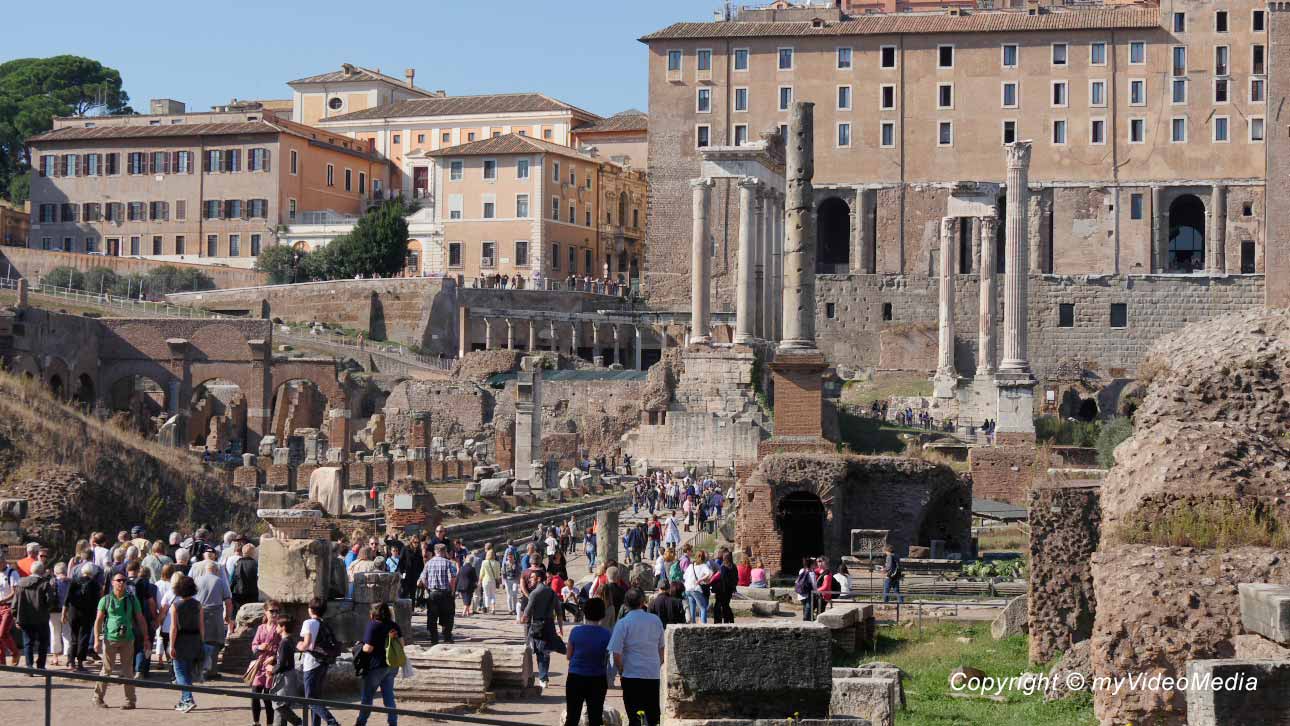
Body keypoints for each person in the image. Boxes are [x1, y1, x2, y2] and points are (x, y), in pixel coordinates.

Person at [93, 569, 150, 709]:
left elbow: (140, 618)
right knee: (106, 669)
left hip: (128, 638)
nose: (122, 583)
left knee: (128, 671)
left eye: (124, 581)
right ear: (112, 583)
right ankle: (97, 698)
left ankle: (130, 701)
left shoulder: (131, 598)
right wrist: (96, 639)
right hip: (110, 638)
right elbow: (98, 620)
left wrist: (146, 637)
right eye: (118, 580)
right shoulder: (105, 600)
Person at [608, 588, 665, 726]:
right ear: (642, 602)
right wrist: (658, 663)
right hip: (652, 674)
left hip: (631, 674)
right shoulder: (655, 620)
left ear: (625, 604)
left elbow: (616, 653)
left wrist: (621, 669)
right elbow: (661, 647)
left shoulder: (622, 623)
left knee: (634, 717)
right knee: (653, 716)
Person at [354, 602, 403, 726]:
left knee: (367, 697)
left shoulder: (373, 626)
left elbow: (368, 648)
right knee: (389, 697)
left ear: (373, 614)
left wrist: (359, 645)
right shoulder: (394, 625)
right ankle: (393, 722)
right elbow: (402, 644)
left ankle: (361, 722)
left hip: (376, 666)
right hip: (391, 665)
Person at [564, 597, 611, 726]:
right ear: (602, 614)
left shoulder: (575, 631)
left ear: (585, 612)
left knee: (572, 717)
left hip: (576, 677)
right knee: (595, 717)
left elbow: (568, 656)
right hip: (597, 678)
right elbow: (607, 656)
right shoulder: (607, 634)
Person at [297, 597, 341, 726]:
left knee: (310, 699)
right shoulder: (324, 623)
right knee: (316, 698)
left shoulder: (309, 623)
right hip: (323, 662)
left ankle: (332, 722)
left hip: (311, 663)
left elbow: (306, 644)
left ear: (310, 609)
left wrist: (299, 645)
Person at [520, 567, 563, 688]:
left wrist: (522, 619)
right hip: (550, 624)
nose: (530, 581)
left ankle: (542, 677)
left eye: (532, 578)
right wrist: (560, 627)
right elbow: (559, 612)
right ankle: (542, 677)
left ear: (538, 579)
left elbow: (527, 613)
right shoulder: (551, 592)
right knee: (545, 651)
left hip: (538, 625)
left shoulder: (534, 593)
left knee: (539, 651)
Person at [168, 574, 204, 713]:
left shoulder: (176, 605)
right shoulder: (198, 605)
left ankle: (188, 699)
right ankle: (184, 700)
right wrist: (201, 642)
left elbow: (173, 628)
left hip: (181, 640)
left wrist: (171, 646)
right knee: (187, 672)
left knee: (180, 673)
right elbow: (202, 626)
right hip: (195, 639)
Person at [194, 559, 234, 678]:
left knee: (200, 641)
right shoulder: (220, 581)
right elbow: (228, 602)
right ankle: (211, 671)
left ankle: (199, 669)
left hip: (199, 613)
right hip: (215, 615)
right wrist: (228, 617)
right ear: (216, 570)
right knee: (214, 643)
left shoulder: (197, 580)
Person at [249, 601, 284, 726]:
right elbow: (253, 646)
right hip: (260, 665)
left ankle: (269, 724)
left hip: (272, 667)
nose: (274, 614)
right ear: (266, 612)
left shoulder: (280, 628)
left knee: (268, 697)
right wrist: (259, 647)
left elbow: (283, 649)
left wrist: (274, 657)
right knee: (254, 694)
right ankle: (256, 722)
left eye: (277, 611)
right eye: (272, 611)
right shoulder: (261, 628)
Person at [15, 561, 53, 670]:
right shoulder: (45, 584)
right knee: (43, 642)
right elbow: (50, 601)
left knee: (28, 642)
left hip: (25, 618)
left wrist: (15, 617)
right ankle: (41, 666)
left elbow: (15, 603)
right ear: (41, 571)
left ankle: (29, 666)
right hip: (41, 618)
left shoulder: (21, 583)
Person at [417, 544, 457, 645]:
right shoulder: (448, 563)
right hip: (445, 593)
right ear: (444, 551)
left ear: (435, 552)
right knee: (448, 616)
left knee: (432, 617)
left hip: (433, 593)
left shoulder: (428, 563)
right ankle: (447, 637)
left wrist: (428, 588)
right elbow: (452, 578)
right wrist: (452, 591)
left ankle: (434, 639)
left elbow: (422, 578)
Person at [64, 563, 100, 671]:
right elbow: (97, 601)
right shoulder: (94, 584)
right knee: (83, 638)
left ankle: (71, 662)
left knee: (73, 637)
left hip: (73, 612)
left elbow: (67, 599)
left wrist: (64, 613)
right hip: (87, 614)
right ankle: (80, 663)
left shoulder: (74, 581)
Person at [49, 561, 71, 666]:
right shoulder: (70, 582)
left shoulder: (52, 582)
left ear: (55, 571)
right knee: (67, 633)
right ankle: (68, 657)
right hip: (67, 610)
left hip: (53, 611)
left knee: (54, 633)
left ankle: (55, 658)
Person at [682, 551, 712, 624]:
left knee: (692, 607)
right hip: (695, 589)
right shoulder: (704, 566)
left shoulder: (691, 566)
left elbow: (684, 576)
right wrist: (701, 579)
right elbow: (710, 573)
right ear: (704, 558)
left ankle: (693, 624)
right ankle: (703, 625)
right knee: (703, 607)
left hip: (687, 589)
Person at [710, 551, 738, 625]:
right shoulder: (734, 566)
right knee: (726, 605)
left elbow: (722, 579)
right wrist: (733, 587)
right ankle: (728, 620)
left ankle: (718, 621)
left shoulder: (723, 568)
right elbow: (736, 578)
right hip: (729, 590)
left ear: (724, 558)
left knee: (718, 606)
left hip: (722, 590)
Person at [231, 543, 259, 611]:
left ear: (243, 552)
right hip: (252, 593)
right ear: (253, 553)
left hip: (238, 592)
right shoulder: (255, 564)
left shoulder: (237, 563)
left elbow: (232, 578)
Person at [478, 549, 501, 615]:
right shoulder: (497, 563)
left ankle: (487, 608)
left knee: (486, 594)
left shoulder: (484, 562)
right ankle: (493, 608)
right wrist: (498, 580)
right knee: (493, 595)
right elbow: (497, 575)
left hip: (485, 580)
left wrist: (480, 580)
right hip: (493, 580)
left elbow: (481, 573)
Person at [795, 557, 817, 621]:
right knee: (809, 606)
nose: (815, 565)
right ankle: (806, 619)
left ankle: (806, 617)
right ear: (811, 565)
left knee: (805, 606)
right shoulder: (811, 573)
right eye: (814, 564)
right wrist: (816, 591)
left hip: (801, 591)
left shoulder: (801, 570)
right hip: (808, 592)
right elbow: (814, 584)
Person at [501, 549, 522, 616]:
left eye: (511, 556)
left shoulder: (516, 563)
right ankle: (510, 609)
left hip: (515, 580)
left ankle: (515, 609)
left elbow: (519, 572)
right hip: (507, 580)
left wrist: (519, 581)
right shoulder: (505, 564)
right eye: (509, 556)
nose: (510, 558)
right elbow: (503, 573)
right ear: (507, 557)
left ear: (513, 556)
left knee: (515, 594)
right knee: (509, 595)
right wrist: (503, 583)